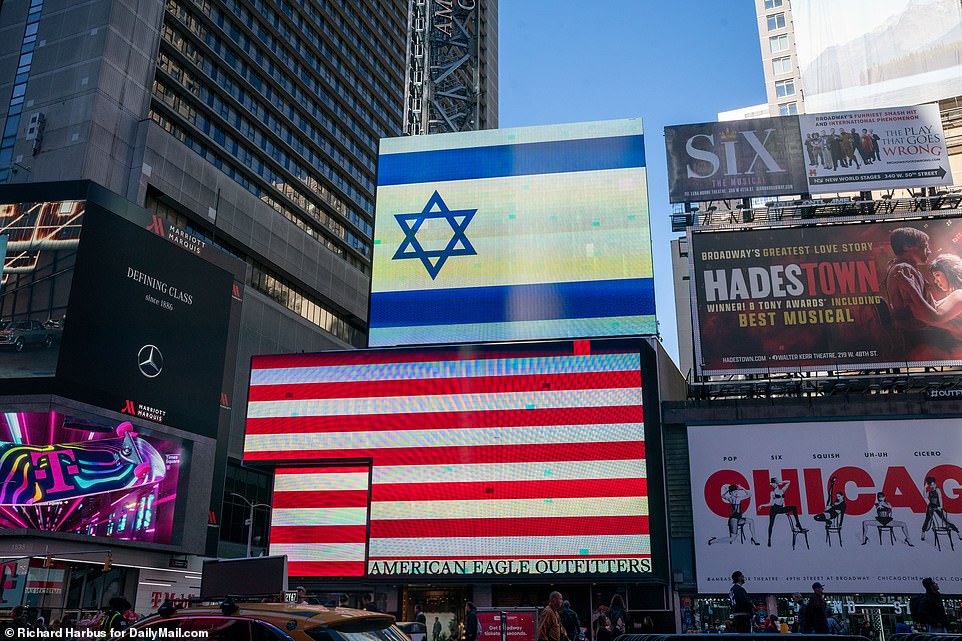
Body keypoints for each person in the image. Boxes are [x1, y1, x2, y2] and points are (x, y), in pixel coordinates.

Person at [883, 228, 958, 359]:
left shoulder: (907, 268)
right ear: (907, 246)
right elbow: (920, 313)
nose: (929, 251)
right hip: (921, 341)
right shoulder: (904, 269)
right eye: (924, 246)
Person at [760, 478, 806, 547]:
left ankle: (798, 524)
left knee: (794, 508)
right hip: (774, 509)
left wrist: (780, 482)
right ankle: (769, 539)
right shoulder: (772, 492)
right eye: (771, 483)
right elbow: (771, 503)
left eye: (773, 483)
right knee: (771, 524)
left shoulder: (782, 490)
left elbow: (789, 482)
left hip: (781, 508)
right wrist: (762, 505)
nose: (772, 484)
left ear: (776, 483)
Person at [921, 476, 961, 541]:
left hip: (938, 507)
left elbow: (940, 498)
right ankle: (923, 533)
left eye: (933, 484)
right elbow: (925, 496)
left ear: (935, 484)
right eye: (931, 485)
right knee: (927, 519)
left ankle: (958, 532)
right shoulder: (929, 492)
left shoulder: (937, 490)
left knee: (945, 520)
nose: (933, 486)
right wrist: (924, 488)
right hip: (931, 507)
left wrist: (941, 507)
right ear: (929, 485)